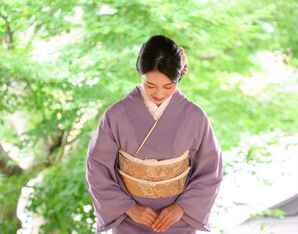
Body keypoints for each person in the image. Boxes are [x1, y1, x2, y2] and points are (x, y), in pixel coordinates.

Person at [86, 35, 223, 234]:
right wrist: (129, 208)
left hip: (178, 222)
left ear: (178, 78)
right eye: (150, 85)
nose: (159, 93)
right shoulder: (116, 114)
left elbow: (210, 170)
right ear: (140, 74)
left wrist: (181, 208)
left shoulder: (195, 116)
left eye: (168, 86)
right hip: (130, 221)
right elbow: (97, 167)